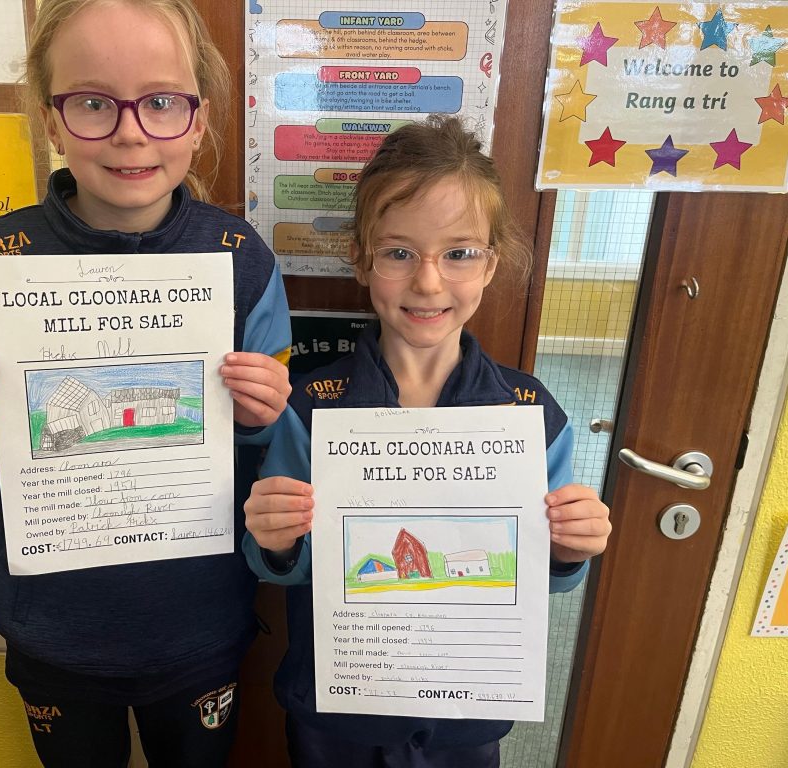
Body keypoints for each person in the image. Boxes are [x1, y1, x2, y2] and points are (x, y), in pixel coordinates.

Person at [0, 1, 292, 766]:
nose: (131, 131)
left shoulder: (242, 261)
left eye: (160, 101)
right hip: (54, 632)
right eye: (94, 103)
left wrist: (259, 417)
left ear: (198, 120)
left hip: (197, 625)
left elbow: (269, 448)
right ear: (52, 122)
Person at [242, 115, 612, 768]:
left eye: (459, 253)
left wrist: (569, 548)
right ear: (361, 259)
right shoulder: (313, 407)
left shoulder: (530, 415)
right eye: (399, 253)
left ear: (491, 263)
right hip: (338, 713)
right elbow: (281, 563)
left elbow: (543, 577)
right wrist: (275, 540)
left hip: (467, 718)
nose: (429, 282)